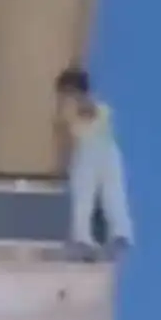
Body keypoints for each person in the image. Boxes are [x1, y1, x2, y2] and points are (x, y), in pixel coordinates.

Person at [55, 66, 134, 260]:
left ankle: (120, 234)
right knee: (84, 196)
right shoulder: (67, 114)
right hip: (87, 151)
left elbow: (89, 112)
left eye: (66, 93)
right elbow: (66, 139)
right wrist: (64, 163)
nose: (63, 98)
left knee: (112, 193)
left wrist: (78, 100)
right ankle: (83, 239)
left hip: (102, 150)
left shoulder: (95, 106)